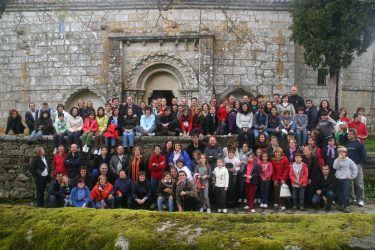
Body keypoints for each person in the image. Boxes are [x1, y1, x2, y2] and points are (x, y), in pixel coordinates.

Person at [346, 128, 367, 207]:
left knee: (359, 183)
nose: (349, 135)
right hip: (348, 166)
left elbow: (363, 155)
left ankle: (361, 199)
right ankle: (352, 198)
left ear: (354, 135)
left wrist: (361, 164)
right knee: (350, 183)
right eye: (348, 134)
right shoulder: (346, 143)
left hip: (357, 165)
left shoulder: (359, 144)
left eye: (351, 134)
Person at [333, 147, 358, 212]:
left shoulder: (349, 161)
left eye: (343, 152)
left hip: (346, 180)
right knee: (339, 193)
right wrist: (338, 160)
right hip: (338, 179)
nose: (341, 153)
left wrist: (353, 176)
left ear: (345, 153)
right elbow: (335, 167)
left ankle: (346, 206)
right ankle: (341, 205)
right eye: (339, 152)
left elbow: (354, 168)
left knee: (345, 193)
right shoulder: (336, 160)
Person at [271, 147, 289, 211]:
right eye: (276, 152)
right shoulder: (273, 160)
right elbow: (273, 170)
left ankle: (283, 205)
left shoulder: (285, 159)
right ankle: (277, 203)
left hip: (283, 178)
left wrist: (283, 179)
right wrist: (274, 179)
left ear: (281, 152)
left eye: (278, 152)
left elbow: (286, 169)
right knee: (276, 192)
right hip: (276, 178)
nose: (277, 153)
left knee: (282, 192)